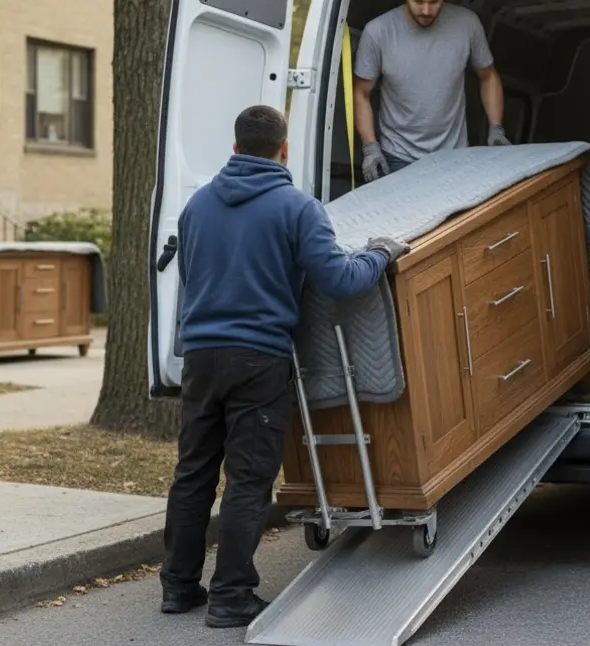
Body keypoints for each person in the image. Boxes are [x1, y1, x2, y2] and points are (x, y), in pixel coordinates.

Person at [159, 105, 408, 629]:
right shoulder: (298, 208)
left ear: (234, 148)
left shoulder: (196, 206)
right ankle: (231, 597)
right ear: (284, 149)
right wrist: (380, 254)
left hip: (200, 356)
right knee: (248, 478)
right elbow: (340, 280)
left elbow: (190, 279)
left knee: (193, 472)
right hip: (258, 358)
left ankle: (178, 587)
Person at [352, 0, 509, 181]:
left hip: (454, 155)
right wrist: (370, 147)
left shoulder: (467, 24)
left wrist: (496, 129)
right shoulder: (378, 32)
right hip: (398, 156)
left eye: (434, 1)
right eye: (418, 1)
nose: (426, 10)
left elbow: (488, 76)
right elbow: (361, 93)